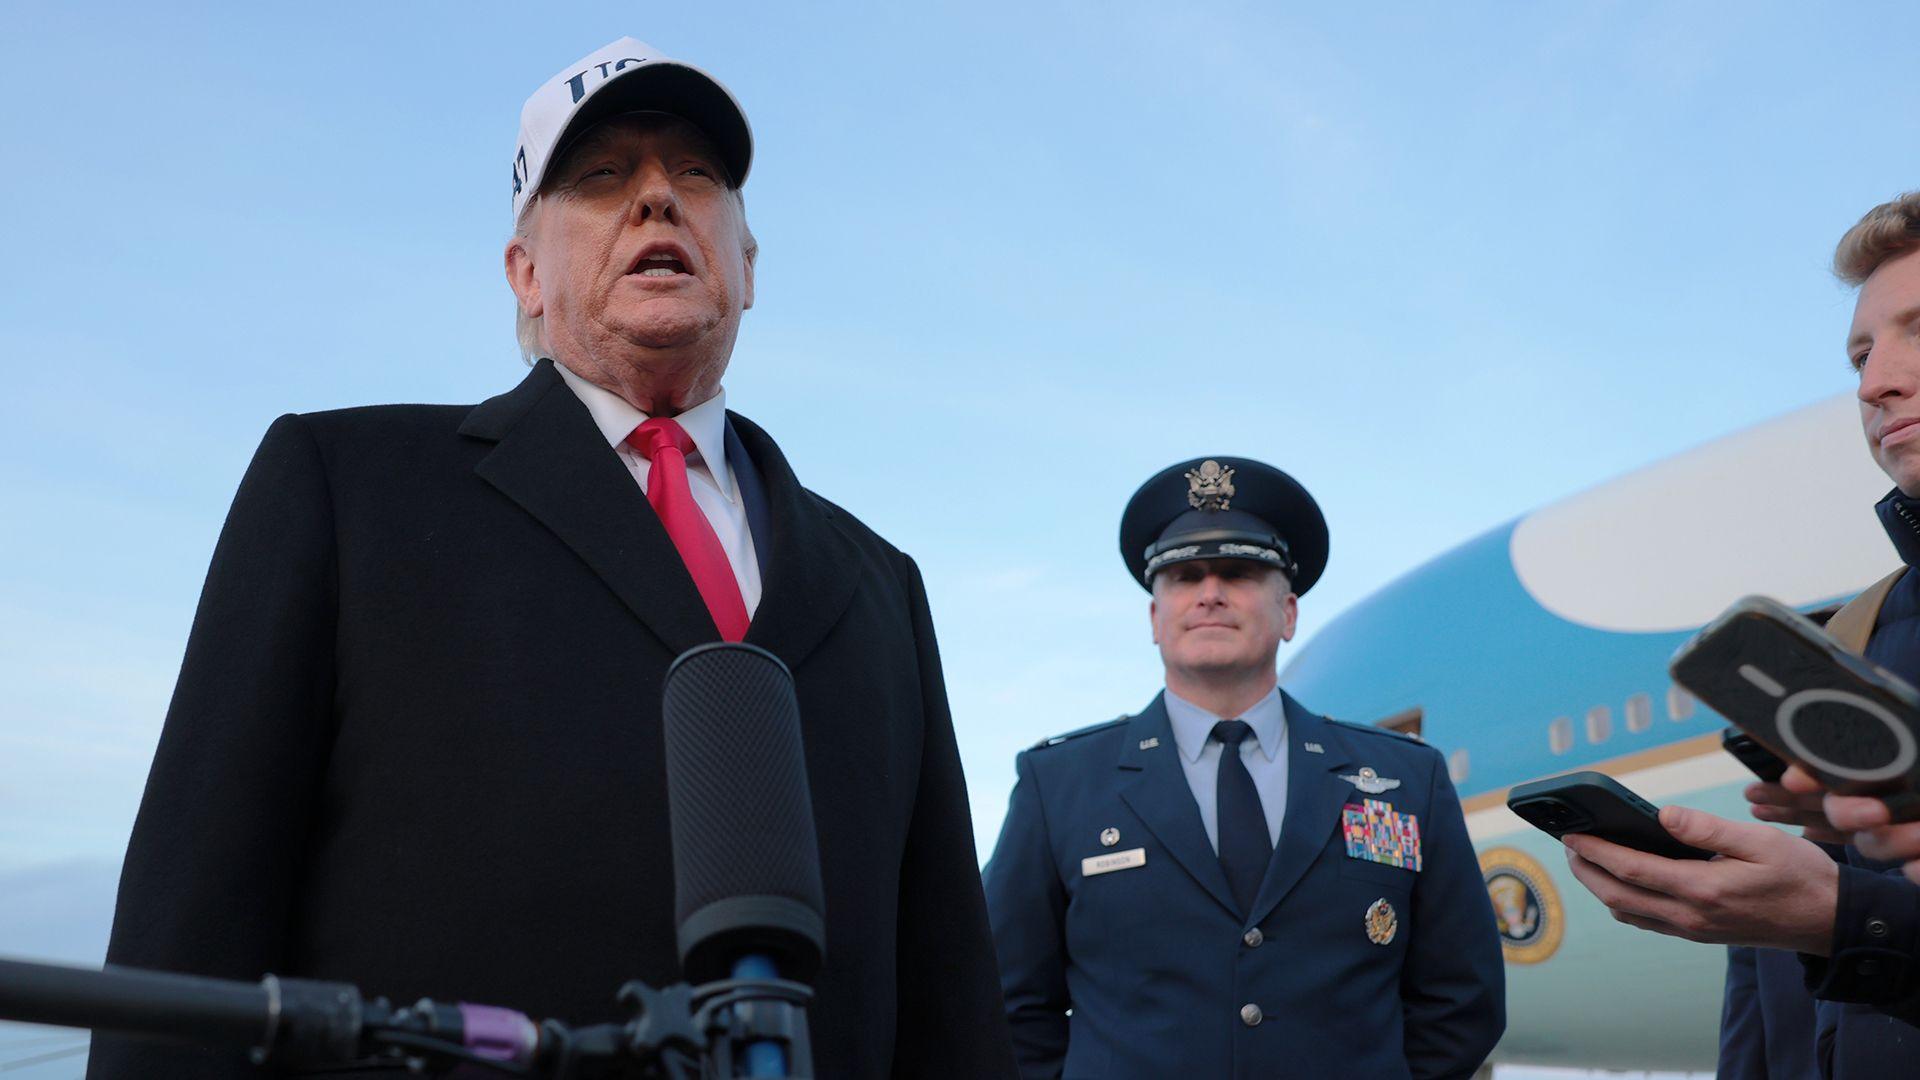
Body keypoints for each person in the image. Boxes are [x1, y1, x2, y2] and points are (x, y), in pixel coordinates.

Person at [89, 37, 1014, 1079]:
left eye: (697, 176)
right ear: (525, 274)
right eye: (601, 178)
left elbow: (948, 999)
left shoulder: (879, 581)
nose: (658, 199)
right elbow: (189, 935)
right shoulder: (346, 489)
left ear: (749, 266)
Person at [980, 457, 1505, 1080]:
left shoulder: (1404, 779)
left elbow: (1461, 998)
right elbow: (1003, 1002)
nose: (1209, 592)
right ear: (1156, 619)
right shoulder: (1060, 783)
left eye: (1239, 571)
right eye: (1183, 576)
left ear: (1288, 613)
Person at [1563, 192, 1920, 1075]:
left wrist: (1840, 919)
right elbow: (1771, 989)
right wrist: (1801, 916)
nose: (1876, 384)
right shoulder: (1861, 630)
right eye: (1861, 356)